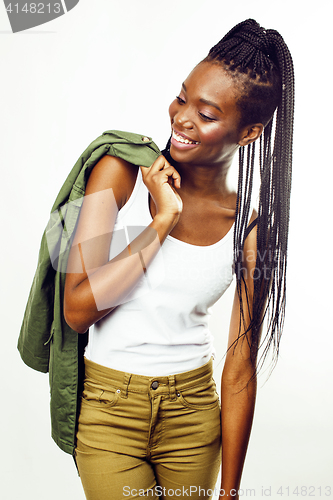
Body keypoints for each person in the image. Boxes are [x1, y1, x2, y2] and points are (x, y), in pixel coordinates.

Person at [63, 19, 294, 500]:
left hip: (194, 415)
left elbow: (239, 366)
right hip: (110, 411)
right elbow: (78, 309)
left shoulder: (252, 227)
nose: (182, 118)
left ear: (249, 132)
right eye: (181, 97)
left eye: (206, 114)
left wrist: (230, 490)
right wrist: (163, 219)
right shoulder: (118, 170)